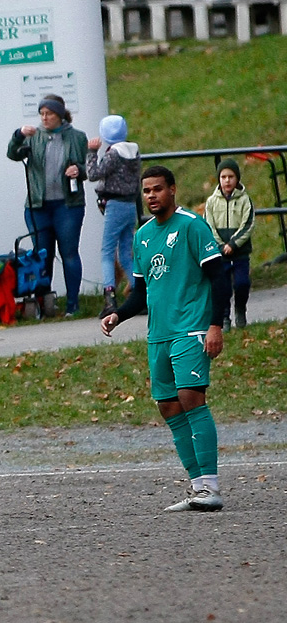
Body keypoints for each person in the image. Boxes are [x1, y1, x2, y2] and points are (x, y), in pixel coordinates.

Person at [101, 166, 228, 512]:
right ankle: (198, 487)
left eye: (158, 189)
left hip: (191, 328)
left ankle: (212, 486)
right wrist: (119, 314)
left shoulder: (191, 225)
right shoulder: (142, 236)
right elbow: (141, 292)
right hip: (159, 334)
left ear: (172, 189)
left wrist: (215, 325)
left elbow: (219, 276)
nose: (152, 196)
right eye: (146, 191)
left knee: (190, 397)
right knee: (169, 406)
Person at [7, 94, 88, 316]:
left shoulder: (77, 137)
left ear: (59, 116)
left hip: (68, 205)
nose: (44, 118)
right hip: (38, 205)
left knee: (69, 252)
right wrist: (18, 136)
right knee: (42, 254)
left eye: (49, 114)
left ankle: (73, 303)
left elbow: (87, 167)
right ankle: (45, 303)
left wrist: (79, 171)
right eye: (42, 114)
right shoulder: (33, 136)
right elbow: (12, 154)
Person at [86, 114, 141, 318]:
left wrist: (92, 152)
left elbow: (94, 174)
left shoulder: (113, 154)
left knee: (108, 252)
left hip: (114, 204)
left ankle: (110, 296)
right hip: (130, 204)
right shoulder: (133, 151)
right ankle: (139, 290)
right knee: (127, 251)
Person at [204, 158, 255, 331]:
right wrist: (219, 245)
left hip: (239, 252)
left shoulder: (245, 200)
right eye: (223, 177)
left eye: (231, 176)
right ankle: (224, 317)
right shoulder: (212, 201)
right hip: (221, 254)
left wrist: (233, 244)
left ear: (237, 178)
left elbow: (247, 225)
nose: (227, 180)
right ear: (219, 179)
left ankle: (240, 309)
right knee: (222, 287)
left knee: (242, 283)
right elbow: (209, 225)